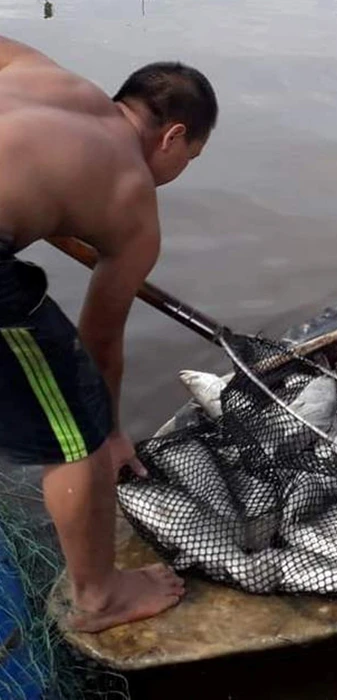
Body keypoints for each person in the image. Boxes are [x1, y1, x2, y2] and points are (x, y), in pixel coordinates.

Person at [0, 35, 217, 632]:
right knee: (75, 435)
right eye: (190, 158)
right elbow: (97, 343)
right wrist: (112, 432)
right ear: (173, 137)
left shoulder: (42, 72)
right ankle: (100, 597)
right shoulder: (133, 200)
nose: (178, 171)